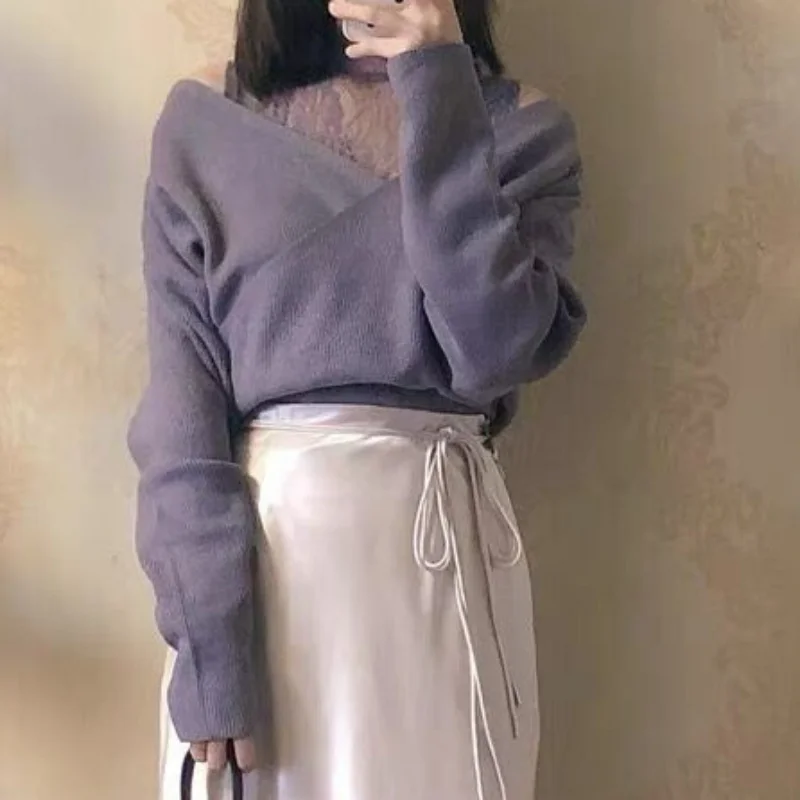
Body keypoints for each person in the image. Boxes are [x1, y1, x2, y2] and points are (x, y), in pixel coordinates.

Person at [128, 0, 586, 797]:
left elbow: (494, 352)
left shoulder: (525, 130)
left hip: (442, 571)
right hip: (268, 577)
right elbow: (182, 413)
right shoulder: (209, 118)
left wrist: (437, 83)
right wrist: (210, 650)